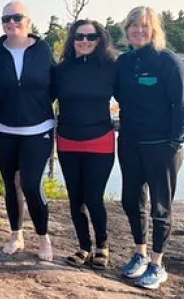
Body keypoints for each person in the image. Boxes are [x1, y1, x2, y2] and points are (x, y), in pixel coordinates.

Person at [115, 6, 184, 290]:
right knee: (131, 201)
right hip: (130, 143)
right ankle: (140, 252)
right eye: (133, 26)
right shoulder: (124, 62)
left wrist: (176, 141)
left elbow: (183, 105)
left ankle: (158, 263)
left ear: (154, 30)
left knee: (161, 206)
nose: (138, 31)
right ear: (127, 31)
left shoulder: (168, 61)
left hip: (162, 146)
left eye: (144, 26)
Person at [0, 0, 56, 261]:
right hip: (1, 128)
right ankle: (16, 235)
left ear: (29, 21)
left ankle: (43, 238)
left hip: (38, 129)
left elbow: (54, 85)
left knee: (31, 184)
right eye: (6, 19)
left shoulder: (43, 50)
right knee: (11, 184)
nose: (11, 23)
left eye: (17, 18)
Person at [53, 19, 118, 269]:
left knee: (93, 197)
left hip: (100, 140)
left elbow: (131, 96)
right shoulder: (61, 70)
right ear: (73, 39)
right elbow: (40, 96)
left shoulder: (111, 67)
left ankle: (102, 246)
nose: (85, 42)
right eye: (80, 37)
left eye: (91, 37)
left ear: (99, 40)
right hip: (68, 140)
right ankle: (83, 247)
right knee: (75, 199)